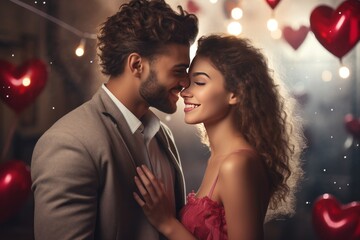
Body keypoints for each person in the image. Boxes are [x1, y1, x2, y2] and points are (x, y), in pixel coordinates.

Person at [31, 0, 198, 239]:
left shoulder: (162, 136)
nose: (185, 82)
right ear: (137, 65)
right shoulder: (70, 144)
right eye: (178, 70)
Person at [133, 34, 306, 240]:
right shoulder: (219, 158)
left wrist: (167, 223)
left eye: (199, 82)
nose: (185, 92)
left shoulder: (236, 164)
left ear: (235, 93)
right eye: (188, 82)